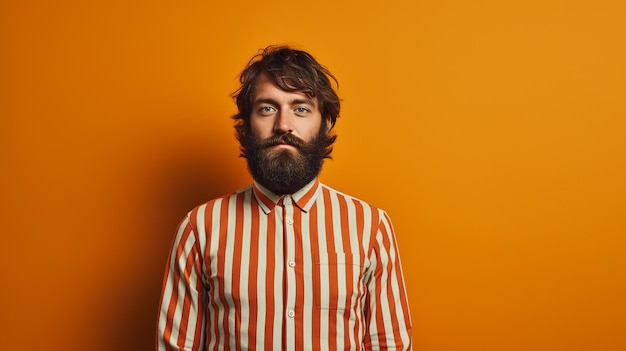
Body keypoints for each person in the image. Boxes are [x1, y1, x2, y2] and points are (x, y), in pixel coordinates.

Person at [156, 45, 412, 350]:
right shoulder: (199, 228)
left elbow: (390, 345)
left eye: (300, 108)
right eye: (267, 108)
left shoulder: (371, 227)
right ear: (246, 122)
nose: (283, 125)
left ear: (326, 122)